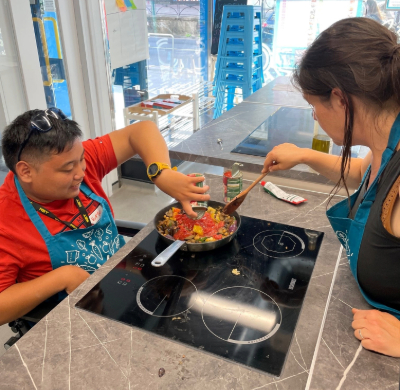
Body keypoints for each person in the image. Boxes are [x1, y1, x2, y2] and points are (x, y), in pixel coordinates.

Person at [263, 17, 400, 358]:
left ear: (340, 99)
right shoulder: (386, 138)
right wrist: (303, 155)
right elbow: (365, 177)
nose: (313, 117)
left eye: (314, 106)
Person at [0, 109, 209, 325]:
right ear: (25, 172)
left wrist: (161, 173)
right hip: (69, 315)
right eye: (68, 169)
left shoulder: (72, 159)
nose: (81, 173)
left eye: (81, 160)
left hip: (118, 275)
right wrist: (61, 278)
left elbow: (141, 130)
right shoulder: (6, 221)